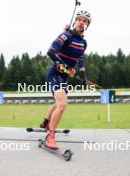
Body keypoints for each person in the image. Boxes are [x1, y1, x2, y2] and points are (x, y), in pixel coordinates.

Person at [39, 10, 92, 150]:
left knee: (58, 104)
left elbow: (79, 59)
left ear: (87, 25)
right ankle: (50, 135)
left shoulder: (84, 43)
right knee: (62, 104)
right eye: (79, 19)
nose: (81, 22)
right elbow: (51, 51)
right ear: (75, 21)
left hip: (65, 76)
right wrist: (61, 64)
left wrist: (83, 77)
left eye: (85, 21)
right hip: (55, 73)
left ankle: (46, 122)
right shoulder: (65, 35)